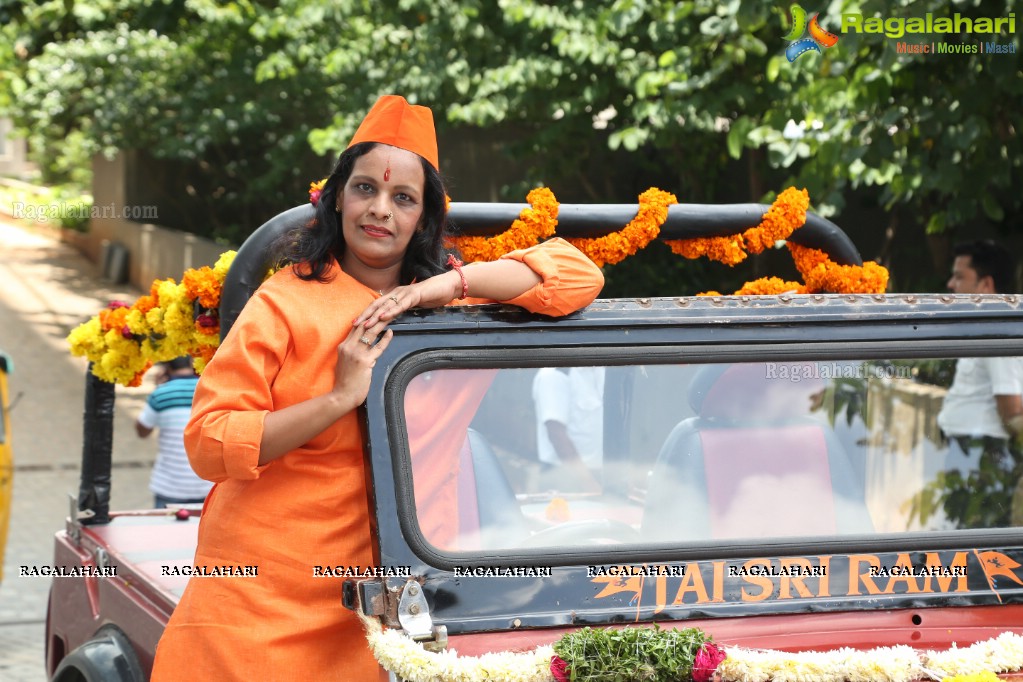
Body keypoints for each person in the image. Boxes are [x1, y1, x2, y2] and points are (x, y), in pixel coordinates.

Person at [151, 95, 604, 680]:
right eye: (365, 189)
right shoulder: (284, 304)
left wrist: (437, 290)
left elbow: (577, 276)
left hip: (398, 605)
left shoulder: (451, 310)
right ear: (337, 196)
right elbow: (209, 444)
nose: (380, 210)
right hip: (261, 602)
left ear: (424, 217)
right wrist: (338, 399)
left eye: (403, 198)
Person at [935, 239, 1023, 527]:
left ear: (986, 284)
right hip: (966, 451)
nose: (951, 284)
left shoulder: (998, 332)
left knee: (976, 549)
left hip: (980, 454)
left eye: (960, 276)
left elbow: (1011, 411)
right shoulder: (985, 326)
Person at [135, 356, 212, 509]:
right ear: (193, 363)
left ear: (165, 368)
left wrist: (157, 389)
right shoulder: (209, 391)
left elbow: (142, 431)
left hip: (169, 487)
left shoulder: (161, 394)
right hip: (207, 486)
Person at [532, 366, 605, 492]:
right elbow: (556, 434)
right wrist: (587, 483)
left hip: (599, 473)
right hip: (566, 476)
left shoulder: (600, 369)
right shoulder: (554, 375)